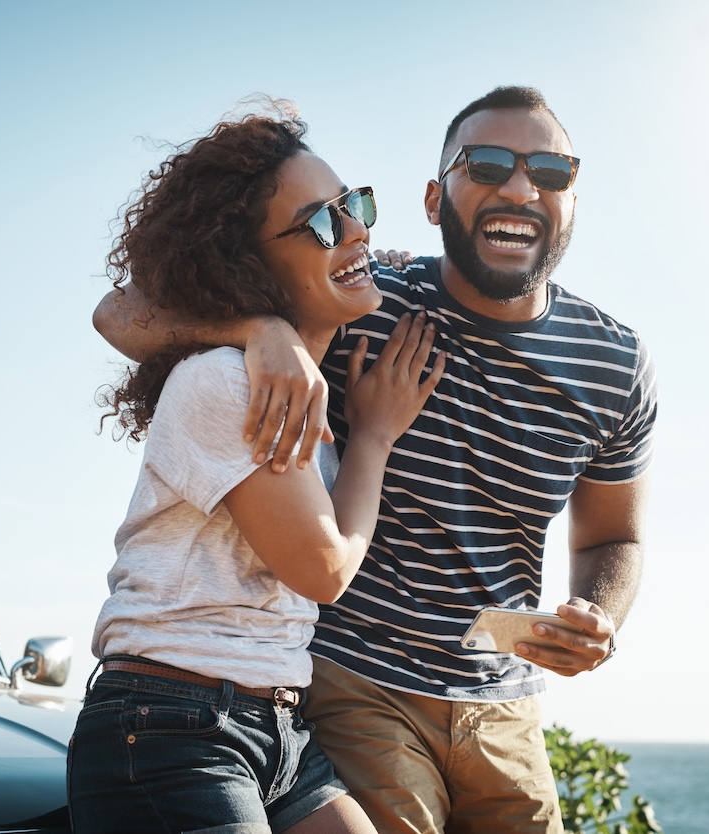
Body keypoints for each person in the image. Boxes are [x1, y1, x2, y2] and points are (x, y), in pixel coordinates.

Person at [93, 86, 657, 834]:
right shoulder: (361, 297)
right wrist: (260, 327)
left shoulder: (615, 363)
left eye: (550, 172)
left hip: (503, 701)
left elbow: (614, 537)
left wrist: (599, 615)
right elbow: (123, 312)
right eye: (486, 163)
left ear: (574, 199)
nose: (520, 187)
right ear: (435, 198)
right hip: (353, 682)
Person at [69, 103, 444, 834]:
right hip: (171, 728)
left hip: (274, 728)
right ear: (249, 262)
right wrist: (373, 437)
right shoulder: (226, 382)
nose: (358, 229)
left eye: (356, 204)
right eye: (324, 222)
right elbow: (324, 570)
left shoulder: (294, 379)